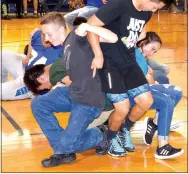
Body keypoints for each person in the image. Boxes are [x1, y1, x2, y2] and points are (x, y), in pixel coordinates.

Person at [24, 31, 184, 160]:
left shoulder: (60, 67)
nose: (48, 87)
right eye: (152, 49)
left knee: (169, 89)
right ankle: (113, 133)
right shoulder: (125, 49)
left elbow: (82, 88)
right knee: (166, 99)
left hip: (109, 98)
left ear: (41, 79)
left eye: (44, 88)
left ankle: (147, 125)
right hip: (112, 98)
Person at [87, 0, 175, 156]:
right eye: (155, 6)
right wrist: (98, 54)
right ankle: (110, 138)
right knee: (122, 108)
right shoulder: (120, 3)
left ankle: (123, 130)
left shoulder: (146, 12)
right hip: (109, 61)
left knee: (146, 101)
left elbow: (131, 35)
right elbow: (90, 26)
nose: (154, 11)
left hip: (128, 60)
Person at [1, 28, 62, 100]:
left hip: (33, 83)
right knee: (2, 54)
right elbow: (32, 41)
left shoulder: (61, 50)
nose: (45, 38)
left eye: (49, 35)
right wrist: (27, 57)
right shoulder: (39, 34)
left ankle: (30, 93)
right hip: (25, 67)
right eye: (43, 34)